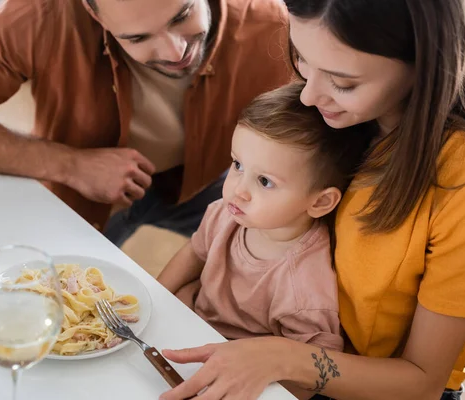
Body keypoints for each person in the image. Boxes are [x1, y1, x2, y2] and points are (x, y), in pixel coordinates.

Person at [158, 1, 465, 400]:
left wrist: (280, 357)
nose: (308, 96)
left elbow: (423, 382)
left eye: (343, 82)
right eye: (302, 59)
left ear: (426, 64)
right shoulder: (329, 115)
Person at [0, 0, 291, 246]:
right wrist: (70, 164)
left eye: (182, 15)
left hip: (214, 185)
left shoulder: (277, 26)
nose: (175, 50)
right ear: (93, 14)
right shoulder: (40, 17)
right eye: (137, 38)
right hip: (88, 193)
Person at [158, 82, 375, 399]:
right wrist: (157, 299)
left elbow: (306, 382)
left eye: (264, 181)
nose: (238, 190)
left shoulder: (305, 285)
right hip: (191, 337)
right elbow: (195, 250)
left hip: (241, 381)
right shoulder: (226, 213)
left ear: (319, 202)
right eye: (237, 165)